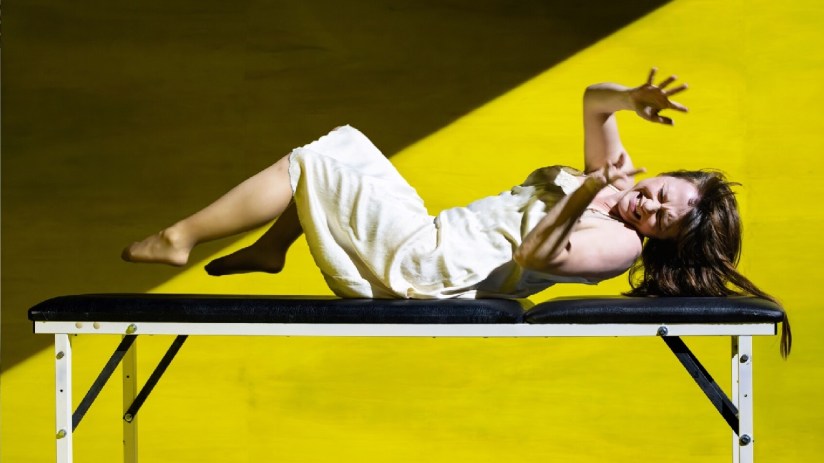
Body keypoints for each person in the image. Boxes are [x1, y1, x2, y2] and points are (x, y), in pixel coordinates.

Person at [122, 69, 790, 357]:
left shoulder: (620, 243)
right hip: (432, 236)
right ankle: (274, 247)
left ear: (661, 240)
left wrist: (588, 191)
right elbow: (593, 99)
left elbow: (535, 255)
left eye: (661, 218)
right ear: (667, 176)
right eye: (661, 192)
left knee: (312, 161)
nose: (648, 204)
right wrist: (628, 98)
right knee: (346, 147)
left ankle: (181, 237)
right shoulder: (618, 183)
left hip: (428, 268)